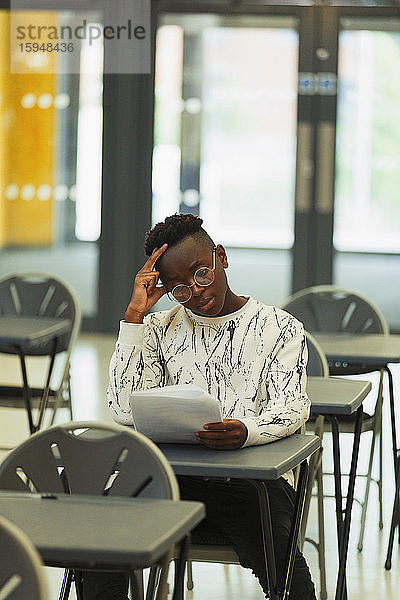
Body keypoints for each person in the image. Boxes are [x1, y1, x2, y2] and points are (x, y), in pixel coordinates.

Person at [83, 213, 316, 600]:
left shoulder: (279, 328)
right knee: (95, 540)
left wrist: (246, 431)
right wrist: (135, 317)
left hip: (249, 486)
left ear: (221, 258)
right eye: (179, 288)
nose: (197, 291)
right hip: (168, 478)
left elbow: (290, 407)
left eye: (201, 274)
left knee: (285, 570)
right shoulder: (158, 329)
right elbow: (124, 410)